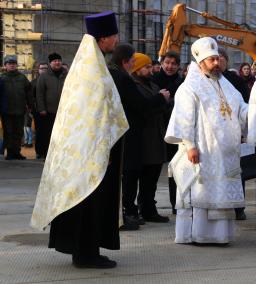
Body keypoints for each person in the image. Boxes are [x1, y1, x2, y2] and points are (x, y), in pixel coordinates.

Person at [31, 11, 166, 269]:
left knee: (87, 200)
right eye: (114, 35)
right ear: (104, 38)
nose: (116, 40)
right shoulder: (97, 70)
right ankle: (86, 254)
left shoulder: (89, 65)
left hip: (86, 147)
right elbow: (106, 106)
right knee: (90, 200)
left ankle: (84, 249)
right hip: (92, 150)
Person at [165, 37, 248, 245]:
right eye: (211, 60)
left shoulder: (226, 85)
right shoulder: (189, 87)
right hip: (202, 150)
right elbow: (184, 119)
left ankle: (220, 235)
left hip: (224, 154)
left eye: (218, 59)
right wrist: (190, 145)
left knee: (220, 193)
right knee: (200, 192)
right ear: (201, 62)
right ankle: (198, 234)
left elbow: (240, 107)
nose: (216, 63)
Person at [121, 52, 169, 229]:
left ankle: (148, 209)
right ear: (137, 68)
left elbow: (161, 107)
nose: (151, 69)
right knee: (133, 178)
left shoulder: (153, 85)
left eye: (150, 66)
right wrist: (161, 100)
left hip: (155, 137)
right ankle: (131, 210)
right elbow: (143, 107)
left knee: (151, 178)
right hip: (141, 138)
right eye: (146, 67)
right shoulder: (133, 86)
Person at [218, 47, 249, 221]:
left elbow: (244, 102)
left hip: (234, 133)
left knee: (237, 171)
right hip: (216, 137)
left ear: (227, 60)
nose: (218, 61)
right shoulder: (207, 80)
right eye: (215, 57)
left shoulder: (235, 80)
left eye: (221, 58)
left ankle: (239, 207)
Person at [152, 51, 184, 215]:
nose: (170, 66)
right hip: (157, 130)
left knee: (175, 169)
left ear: (178, 66)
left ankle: (175, 203)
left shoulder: (182, 82)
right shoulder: (153, 80)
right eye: (167, 63)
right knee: (153, 170)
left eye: (173, 64)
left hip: (175, 130)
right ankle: (149, 205)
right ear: (162, 63)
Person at [0, 55, 32, 160]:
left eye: (13, 64)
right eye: (9, 64)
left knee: (18, 132)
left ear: (16, 65)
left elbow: (29, 93)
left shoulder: (22, 78)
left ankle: (17, 152)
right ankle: (9, 153)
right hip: (6, 111)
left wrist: (30, 105)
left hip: (19, 110)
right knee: (8, 132)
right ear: (5, 65)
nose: (12, 65)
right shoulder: (2, 78)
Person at [36, 52, 67, 159]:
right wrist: (42, 108)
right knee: (48, 133)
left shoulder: (67, 75)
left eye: (59, 60)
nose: (57, 63)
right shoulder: (44, 77)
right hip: (49, 111)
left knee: (62, 134)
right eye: (54, 61)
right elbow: (39, 93)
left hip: (64, 112)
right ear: (50, 63)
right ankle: (46, 153)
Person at [31, 62, 48, 158]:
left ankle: (46, 152)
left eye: (46, 68)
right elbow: (31, 97)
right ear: (38, 70)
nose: (44, 70)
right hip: (38, 111)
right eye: (42, 68)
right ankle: (39, 152)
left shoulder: (51, 80)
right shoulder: (34, 82)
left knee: (48, 132)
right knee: (39, 132)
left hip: (50, 110)